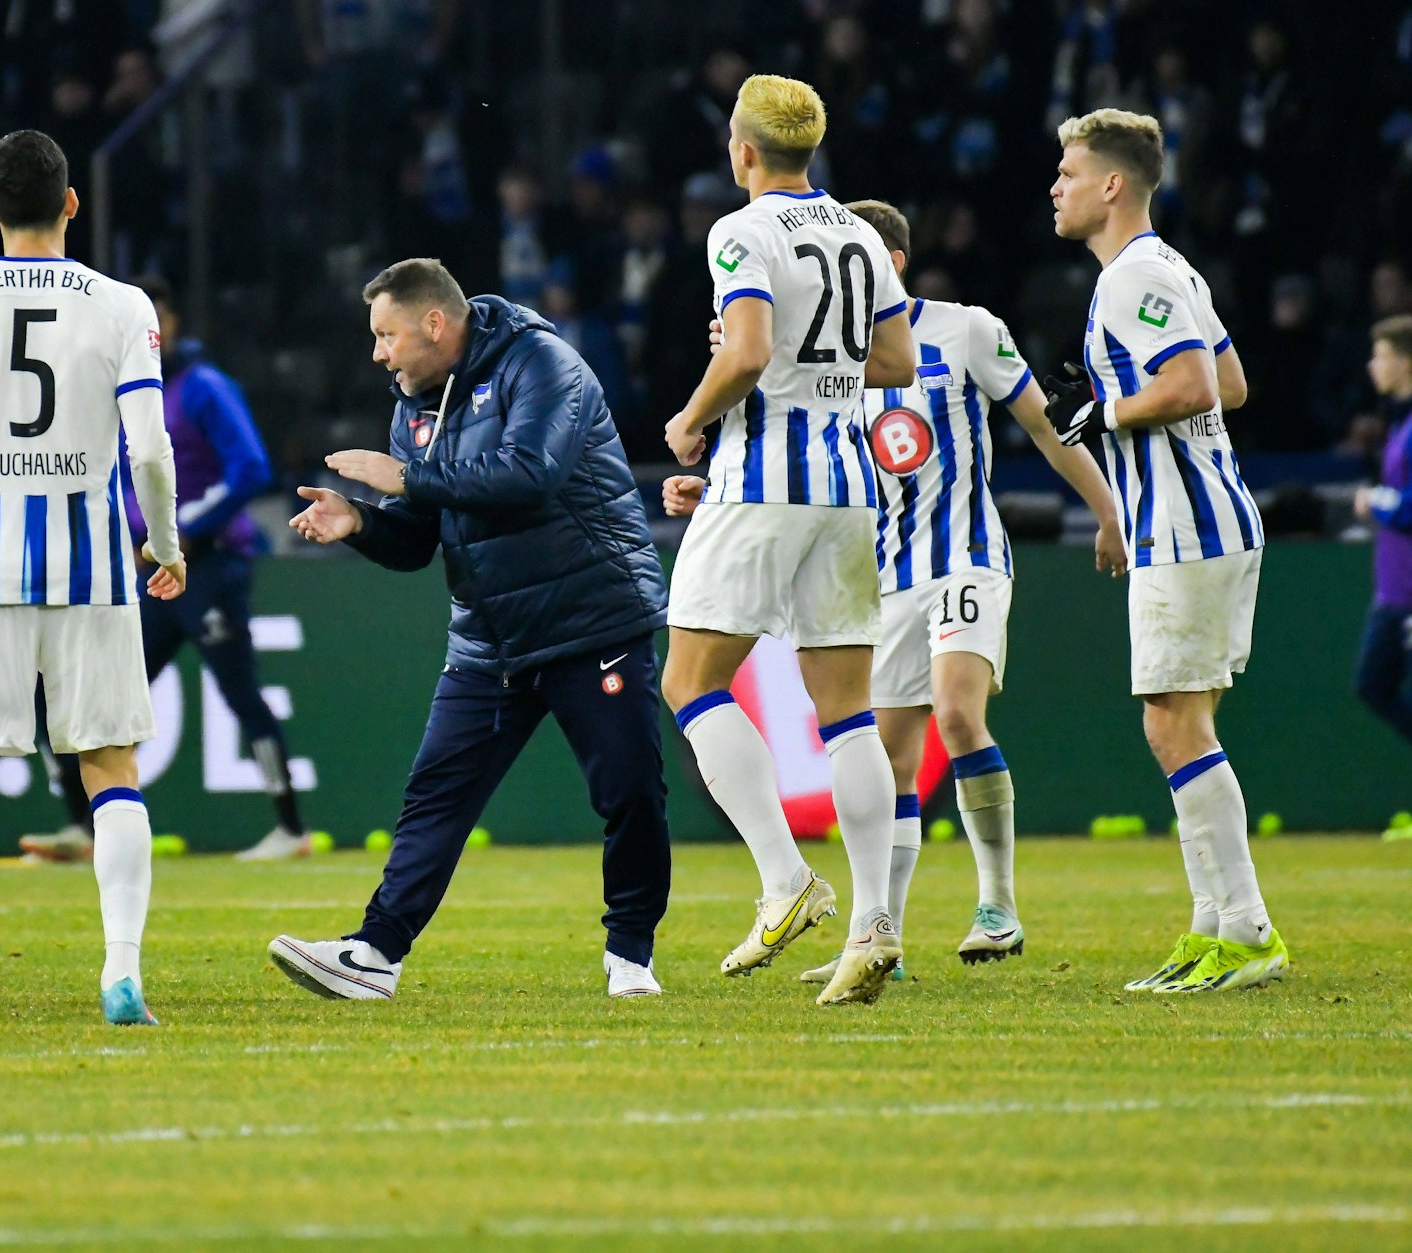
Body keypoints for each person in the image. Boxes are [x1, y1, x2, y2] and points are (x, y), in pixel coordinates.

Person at [663, 199, 1129, 984]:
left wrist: (1108, 510)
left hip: (964, 554)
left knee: (956, 710)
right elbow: (789, 444)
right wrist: (709, 487)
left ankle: (997, 902)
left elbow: (1045, 426)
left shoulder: (968, 329)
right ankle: (882, 936)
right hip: (878, 566)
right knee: (891, 751)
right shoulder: (820, 354)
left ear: (892, 264)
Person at [273, 257, 671, 1001]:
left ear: (434, 323)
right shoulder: (413, 404)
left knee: (629, 790)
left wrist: (403, 479)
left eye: (387, 334)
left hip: (591, 617)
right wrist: (360, 520)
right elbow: (419, 539)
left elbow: (531, 474)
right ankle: (376, 954)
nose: (377, 353)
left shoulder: (543, 362)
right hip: (490, 638)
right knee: (436, 796)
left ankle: (631, 953)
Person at [0, 130, 186, 1029]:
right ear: (71, 203)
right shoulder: (122, 304)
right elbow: (149, 448)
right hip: (93, 568)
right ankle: (120, 975)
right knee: (112, 769)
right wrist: (165, 545)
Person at [658, 74, 916, 1007]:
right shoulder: (856, 230)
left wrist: (693, 420)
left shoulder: (742, 231)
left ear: (743, 151)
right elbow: (895, 360)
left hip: (766, 478)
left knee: (689, 681)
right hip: (851, 485)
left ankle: (784, 879)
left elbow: (750, 351)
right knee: (848, 711)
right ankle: (875, 924)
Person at [1044, 108, 1287, 993]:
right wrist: (1125, 402)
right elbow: (1231, 380)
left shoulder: (1132, 277)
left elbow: (1188, 386)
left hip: (1184, 530)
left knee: (1171, 722)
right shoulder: (1170, 268)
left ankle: (1249, 932)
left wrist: (1105, 412)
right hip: (1207, 520)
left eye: (1069, 173)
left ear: (1113, 184)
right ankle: (1211, 924)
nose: (1056, 188)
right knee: (1186, 721)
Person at [20, 275, 311, 863]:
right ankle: (83, 825)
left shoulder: (203, 387)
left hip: (207, 567)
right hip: (149, 574)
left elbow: (252, 469)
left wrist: (178, 534)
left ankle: (291, 829)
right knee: (84, 695)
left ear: (170, 325)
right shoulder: (115, 392)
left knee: (241, 694)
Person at [1354, 314, 1412, 753]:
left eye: (1380, 356)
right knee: (1372, 685)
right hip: (1394, 593)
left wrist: (1373, 500)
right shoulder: (1400, 424)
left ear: (1407, 362)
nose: (1372, 366)